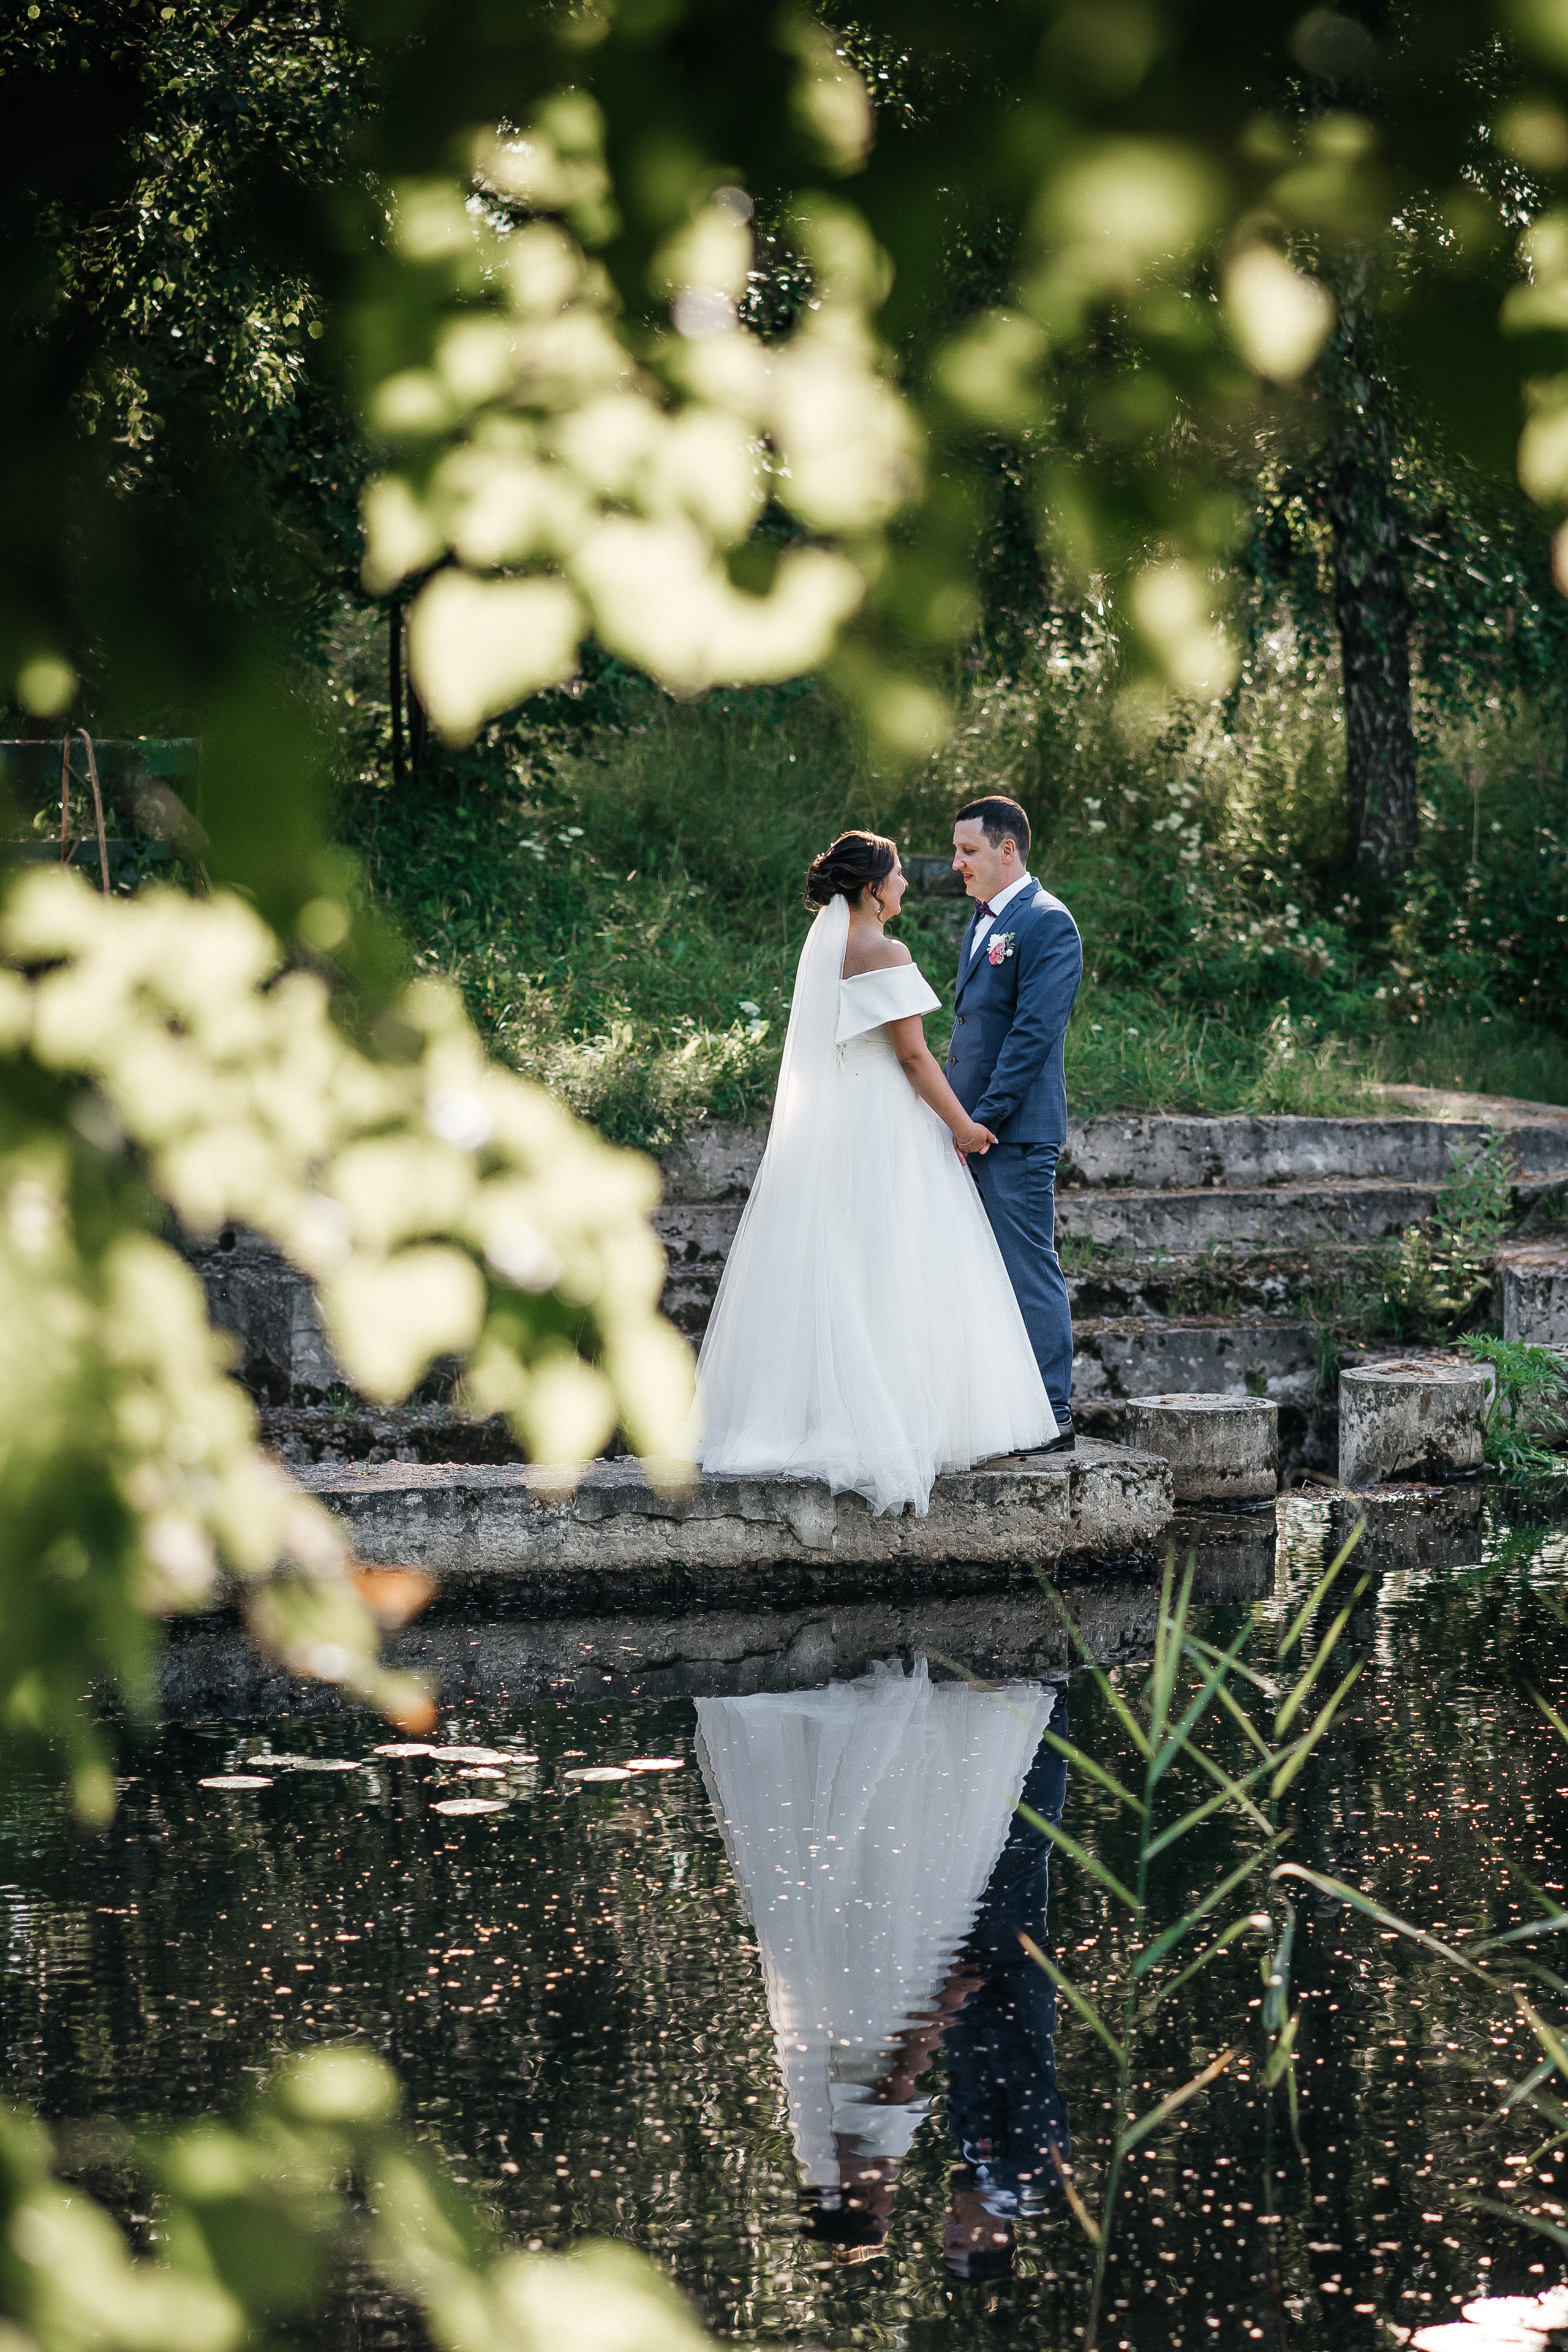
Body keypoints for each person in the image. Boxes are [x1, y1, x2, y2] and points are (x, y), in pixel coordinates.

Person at [695, 829, 1055, 1514]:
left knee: (840, 1260)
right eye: (897, 874)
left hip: (837, 1120)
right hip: (886, 1118)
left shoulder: (828, 954)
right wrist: (963, 1125)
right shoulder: (885, 952)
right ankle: (893, 1419)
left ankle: (815, 1413)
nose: (906, 883)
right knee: (893, 1261)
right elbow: (913, 1058)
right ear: (872, 888)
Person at [692, 1658, 1058, 2260]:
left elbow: (904, 2069)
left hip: (882, 1998)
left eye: (883, 2211)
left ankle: (948, 1708)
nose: (892, 2201)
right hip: (843, 1997)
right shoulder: (817, 2139)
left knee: (908, 1865)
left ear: (860, 2202)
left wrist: (948, 1998)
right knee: (864, 1869)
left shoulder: (866, 2154)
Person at [947, 796, 1082, 1450]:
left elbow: (1032, 1035)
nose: (956, 863)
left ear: (1007, 850)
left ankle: (1052, 1413)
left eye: (968, 850)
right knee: (979, 1271)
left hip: (1013, 1131)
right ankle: (1000, 1409)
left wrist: (982, 1120)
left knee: (1026, 1268)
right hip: (971, 1127)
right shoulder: (983, 921)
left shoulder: (1047, 922)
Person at [940, 1691, 1071, 2284]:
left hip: (976, 1983)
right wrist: (970, 2002)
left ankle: (1000, 1707)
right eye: (957, 2237)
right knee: (1019, 1847)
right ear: (994, 2236)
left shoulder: (974, 2162)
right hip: (1007, 1979)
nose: (948, 2223)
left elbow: (965, 2072)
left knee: (981, 1841)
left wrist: (949, 2007)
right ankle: (1047, 1699)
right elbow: (1027, 2079)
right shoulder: (1028, 2172)